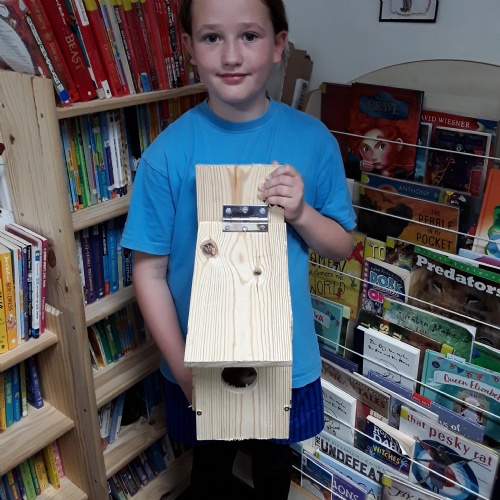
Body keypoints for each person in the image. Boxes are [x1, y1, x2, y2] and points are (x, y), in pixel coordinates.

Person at [121, 0, 356, 498]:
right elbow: (149, 272)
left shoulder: (313, 141)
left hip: (286, 357)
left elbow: (342, 247)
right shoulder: (167, 154)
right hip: (198, 361)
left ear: (278, 44)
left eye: (249, 35)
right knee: (210, 468)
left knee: (273, 464)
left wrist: (302, 213)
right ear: (189, 47)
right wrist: (185, 370)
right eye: (212, 38)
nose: (231, 55)